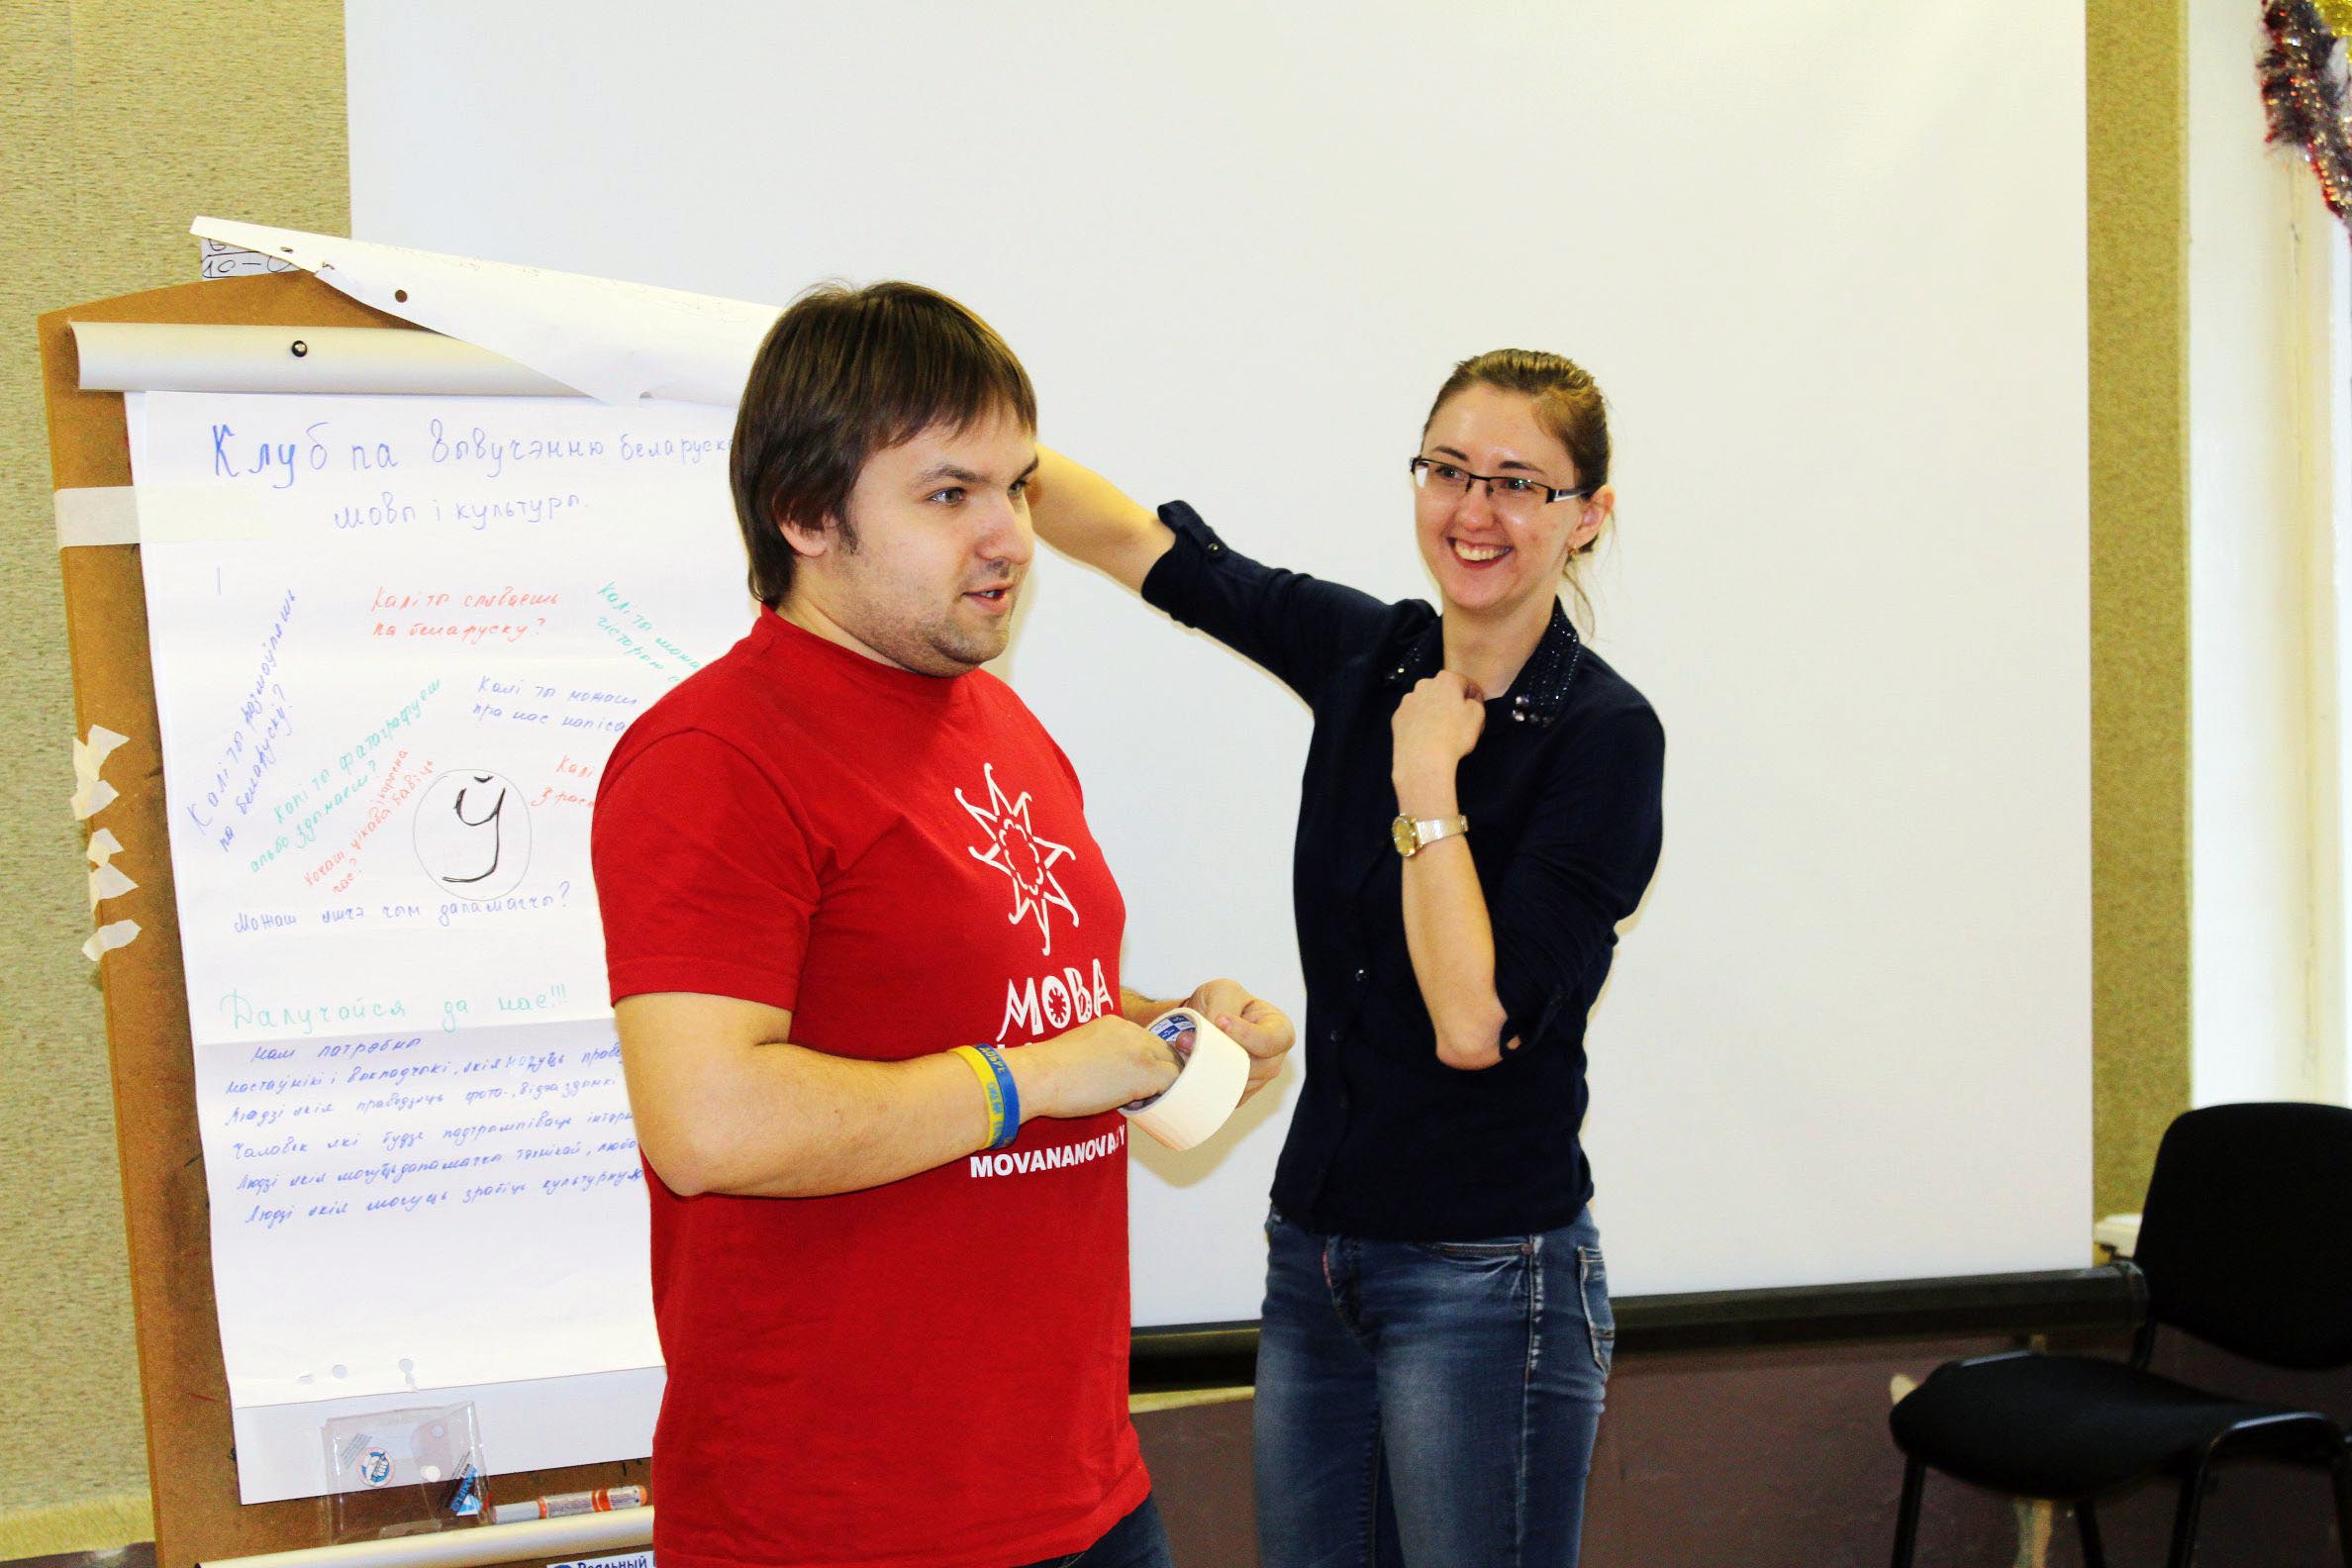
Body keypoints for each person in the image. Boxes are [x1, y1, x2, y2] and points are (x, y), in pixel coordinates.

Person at [589, 280, 1295, 1568]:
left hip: (1084, 1490)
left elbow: (1003, 1000)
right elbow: (707, 1123)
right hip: (843, 1529)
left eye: (1017, 486)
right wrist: (1034, 1080)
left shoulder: (998, 720)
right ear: (806, 513)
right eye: (950, 493)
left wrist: (1171, 1037)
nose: (1011, 536)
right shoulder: (712, 758)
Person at [1027, 349, 1665, 1567]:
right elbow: (1133, 544)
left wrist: (1427, 785)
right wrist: (965, 438)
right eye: (1448, 470)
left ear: (1587, 516)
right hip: (1317, 1253)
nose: (1474, 510)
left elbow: (1474, 1023)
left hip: (1488, 1279)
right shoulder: (1369, 653)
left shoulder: (1606, 738)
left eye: (1519, 483)